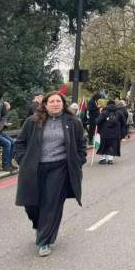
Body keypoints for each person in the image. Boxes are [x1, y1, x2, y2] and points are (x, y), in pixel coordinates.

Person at [14, 91, 86, 257]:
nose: (55, 104)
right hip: (35, 168)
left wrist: (77, 161)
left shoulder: (73, 122)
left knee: (51, 203)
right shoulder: (32, 121)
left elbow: (82, 144)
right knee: (31, 204)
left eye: (58, 101)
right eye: (52, 101)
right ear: (45, 105)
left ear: (63, 104)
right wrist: (23, 160)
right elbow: (20, 143)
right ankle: (40, 225)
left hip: (59, 168)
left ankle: (44, 241)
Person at [95, 99, 127, 165]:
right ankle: (110, 160)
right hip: (115, 133)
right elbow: (124, 122)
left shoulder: (104, 112)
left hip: (105, 132)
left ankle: (103, 159)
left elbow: (98, 121)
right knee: (113, 146)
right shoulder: (119, 112)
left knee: (103, 145)